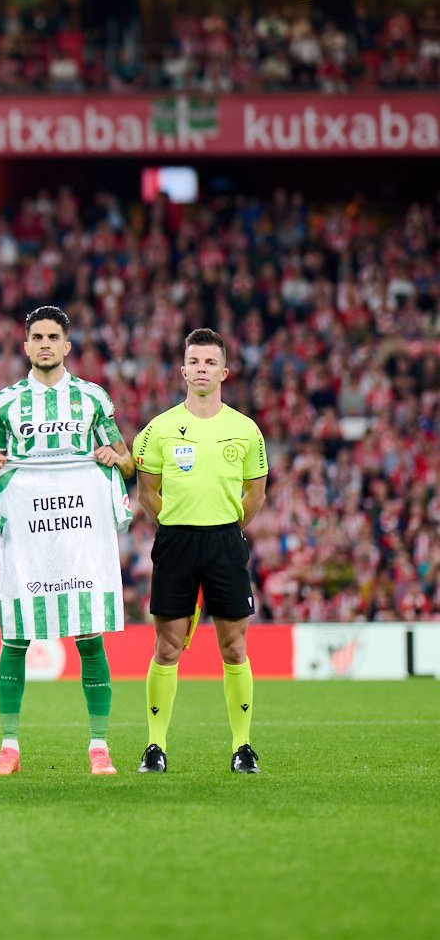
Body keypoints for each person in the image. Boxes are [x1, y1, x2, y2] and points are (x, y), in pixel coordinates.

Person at [0, 305, 135, 776]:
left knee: (88, 633)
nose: (45, 344)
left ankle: (99, 747)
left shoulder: (92, 399)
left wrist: (113, 457)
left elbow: (126, 464)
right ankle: (8, 746)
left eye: (53, 337)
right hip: (28, 533)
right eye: (37, 338)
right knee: (16, 633)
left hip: (80, 532)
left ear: (67, 346)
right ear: (26, 346)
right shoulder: (6, 402)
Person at [132, 328, 269, 774]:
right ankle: (155, 747)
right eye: (195, 362)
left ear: (224, 371)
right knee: (168, 646)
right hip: (176, 541)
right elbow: (147, 491)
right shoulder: (159, 429)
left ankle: (242, 747)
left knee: (234, 647)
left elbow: (256, 493)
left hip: (225, 542)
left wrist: (225, 524)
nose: (202, 369)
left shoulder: (245, 429)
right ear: (183, 370)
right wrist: (174, 522)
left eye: (211, 363)